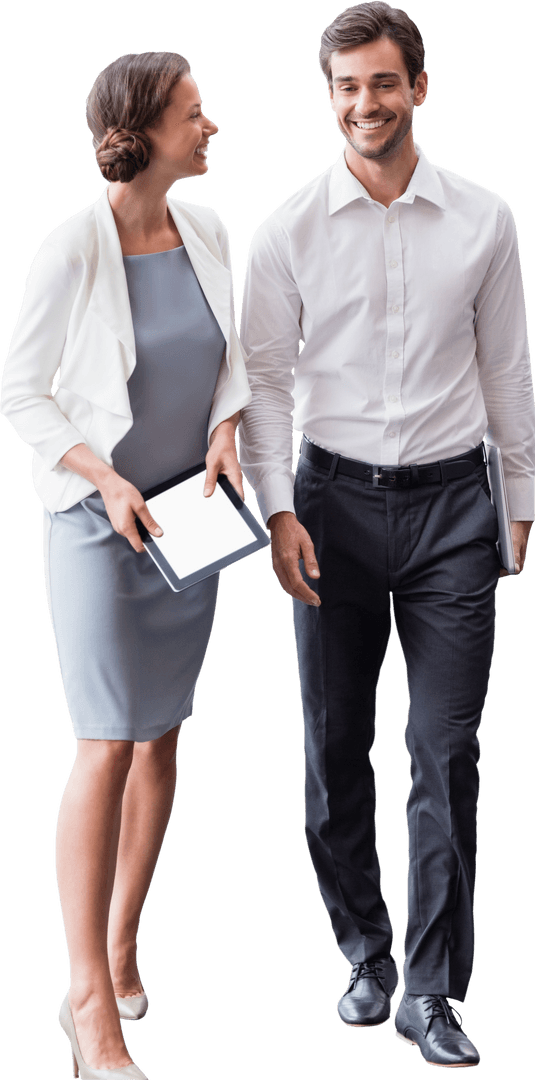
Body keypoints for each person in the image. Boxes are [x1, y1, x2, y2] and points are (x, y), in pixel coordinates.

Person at [239, 2, 535, 1070]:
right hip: (328, 506)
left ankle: (428, 986)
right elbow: (264, 387)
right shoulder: (285, 231)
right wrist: (275, 510)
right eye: (344, 86)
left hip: (457, 508)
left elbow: (505, 364)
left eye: (380, 83)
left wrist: (518, 501)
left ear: (419, 86)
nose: (362, 103)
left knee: (443, 751)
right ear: (328, 95)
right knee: (331, 747)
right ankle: (362, 951)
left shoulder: (484, 219)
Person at [1, 50, 250, 1080]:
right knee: (103, 743)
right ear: (144, 131)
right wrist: (103, 479)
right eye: (195, 115)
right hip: (103, 530)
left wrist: (229, 431)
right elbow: (22, 393)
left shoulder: (207, 229)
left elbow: (226, 359)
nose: (212, 127)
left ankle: (122, 942)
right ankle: (84, 1006)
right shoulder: (72, 249)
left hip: (191, 521)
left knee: (159, 741)